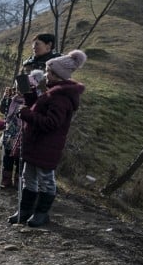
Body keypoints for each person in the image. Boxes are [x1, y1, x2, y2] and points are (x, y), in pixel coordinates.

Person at [8, 49, 87, 227]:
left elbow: (51, 123)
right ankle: (25, 210)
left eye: (50, 72)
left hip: (46, 146)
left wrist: (27, 114)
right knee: (28, 177)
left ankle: (41, 213)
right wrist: (27, 94)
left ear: (60, 75)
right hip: (36, 144)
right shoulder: (52, 92)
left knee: (45, 180)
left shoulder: (61, 98)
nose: (46, 74)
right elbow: (37, 109)